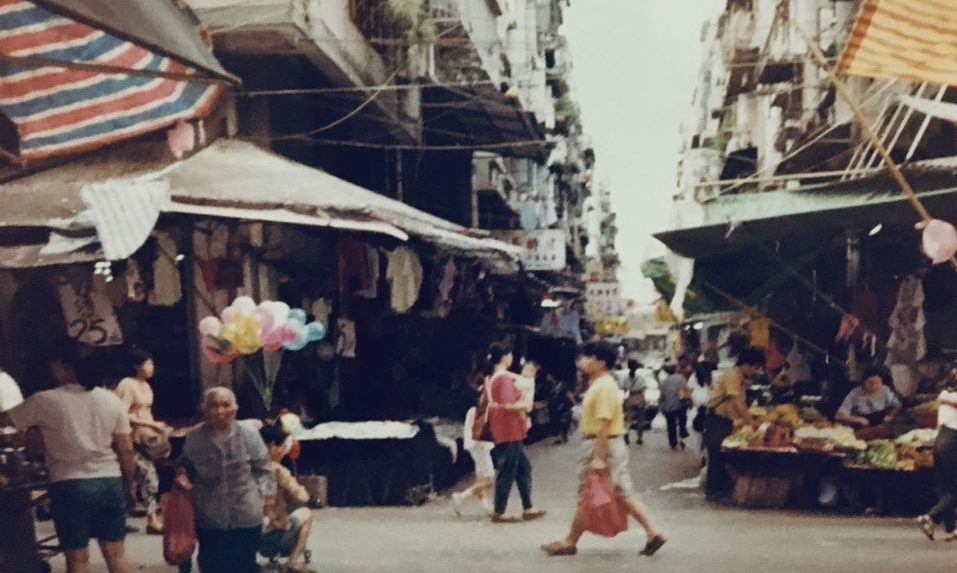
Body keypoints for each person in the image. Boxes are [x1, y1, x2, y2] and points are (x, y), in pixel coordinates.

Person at [1, 350, 136, 573]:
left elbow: (6, 419)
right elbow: (126, 449)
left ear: (69, 369)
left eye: (56, 364)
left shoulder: (46, 399)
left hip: (69, 485)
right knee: (116, 555)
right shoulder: (111, 400)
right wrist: (129, 486)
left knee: (77, 558)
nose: (52, 369)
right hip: (109, 483)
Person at [542, 341, 666, 557]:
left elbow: (604, 423)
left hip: (602, 445)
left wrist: (599, 457)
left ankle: (570, 541)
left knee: (588, 492)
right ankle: (653, 533)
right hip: (611, 445)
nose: (582, 361)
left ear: (600, 362)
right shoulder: (600, 384)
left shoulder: (603, 386)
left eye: (587, 357)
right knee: (622, 493)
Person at [176, 387, 276, 573]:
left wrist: (269, 501)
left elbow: (264, 469)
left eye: (226, 405)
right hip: (209, 515)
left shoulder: (249, 434)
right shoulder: (195, 437)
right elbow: (185, 465)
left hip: (246, 512)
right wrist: (182, 476)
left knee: (245, 564)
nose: (220, 411)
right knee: (211, 563)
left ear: (235, 408)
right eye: (213, 405)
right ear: (204, 410)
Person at [485, 342, 546, 523]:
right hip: (508, 428)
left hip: (509, 428)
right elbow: (508, 403)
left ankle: (528, 506)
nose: (512, 358)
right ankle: (499, 511)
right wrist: (527, 406)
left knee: (523, 468)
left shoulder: (497, 377)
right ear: (505, 357)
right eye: (510, 355)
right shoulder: (504, 379)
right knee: (508, 469)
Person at [114, 348, 168, 533]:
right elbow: (121, 413)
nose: (151, 367)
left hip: (146, 439)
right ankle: (151, 518)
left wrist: (155, 427)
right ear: (137, 365)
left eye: (151, 363)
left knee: (141, 478)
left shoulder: (146, 386)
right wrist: (148, 423)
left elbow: (146, 412)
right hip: (130, 440)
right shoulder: (127, 385)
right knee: (144, 477)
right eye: (147, 363)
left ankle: (145, 517)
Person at [703, 347, 764, 500]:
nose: (756, 372)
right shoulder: (732, 376)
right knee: (717, 454)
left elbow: (738, 404)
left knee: (723, 455)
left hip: (726, 420)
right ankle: (713, 492)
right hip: (716, 419)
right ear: (747, 364)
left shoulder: (741, 379)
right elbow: (737, 402)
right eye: (756, 367)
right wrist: (751, 423)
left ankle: (721, 490)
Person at [259, 425, 315, 572]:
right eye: (284, 445)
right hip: (271, 529)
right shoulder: (278, 470)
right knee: (306, 513)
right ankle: (293, 561)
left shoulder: (248, 466)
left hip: (247, 529)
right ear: (272, 446)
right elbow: (302, 497)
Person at [452, 372, 496, 516]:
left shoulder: (472, 404)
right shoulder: (481, 404)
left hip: (473, 444)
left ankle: (485, 505)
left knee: (481, 476)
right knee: (489, 479)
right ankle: (462, 496)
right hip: (480, 445)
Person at [835, 369, 902, 440]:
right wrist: (857, 419)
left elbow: (898, 405)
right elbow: (839, 416)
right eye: (870, 383)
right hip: (862, 427)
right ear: (863, 383)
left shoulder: (885, 390)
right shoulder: (855, 393)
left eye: (877, 383)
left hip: (881, 425)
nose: (874, 387)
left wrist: (891, 415)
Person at [660, 361, 691, 450]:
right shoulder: (681, 378)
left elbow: (662, 396)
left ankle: (673, 443)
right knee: (682, 422)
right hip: (680, 404)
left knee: (671, 425)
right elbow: (686, 391)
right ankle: (682, 439)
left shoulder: (665, 381)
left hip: (669, 406)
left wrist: (661, 406)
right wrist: (689, 401)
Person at [619, 359, 648, 446]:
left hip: (630, 399)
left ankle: (626, 434)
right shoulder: (640, 378)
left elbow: (624, 391)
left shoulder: (625, 379)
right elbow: (643, 391)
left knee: (628, 419)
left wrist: (624, 402)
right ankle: (639, 438)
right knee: (640, 420)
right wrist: (643, 400)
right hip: (639, 398)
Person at [547, 375, 576, 445]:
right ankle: (561, 438)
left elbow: (568, 394)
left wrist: (574, 403)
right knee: (558, 423)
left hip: (563, 406)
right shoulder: (551, 387)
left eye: (548, 376)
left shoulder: (561, 384)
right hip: (555, 408)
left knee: (564, 422)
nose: (547, 378)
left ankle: (564, 438)